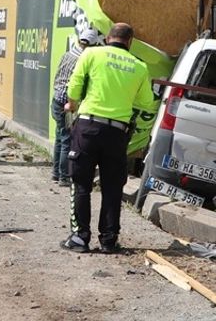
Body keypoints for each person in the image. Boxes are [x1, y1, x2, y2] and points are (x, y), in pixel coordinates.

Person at [61, 22, 153, 254]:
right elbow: (145, 101)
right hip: (117, 133)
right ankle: (109, 240)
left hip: (88, 128)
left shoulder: (92, 54)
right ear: (130, 42)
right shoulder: (139, 66)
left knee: (81, 183)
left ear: (108, 37)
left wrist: (72, 104)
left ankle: (80, 238)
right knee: (112, 188)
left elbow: (74, 87)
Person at [51, 28, 101, 186]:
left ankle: (56, 173)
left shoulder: (67, 54)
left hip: (57, 100)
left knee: (60, 138)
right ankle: (64, 176)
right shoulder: (83, 60)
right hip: (68, 104)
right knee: (67, 140)